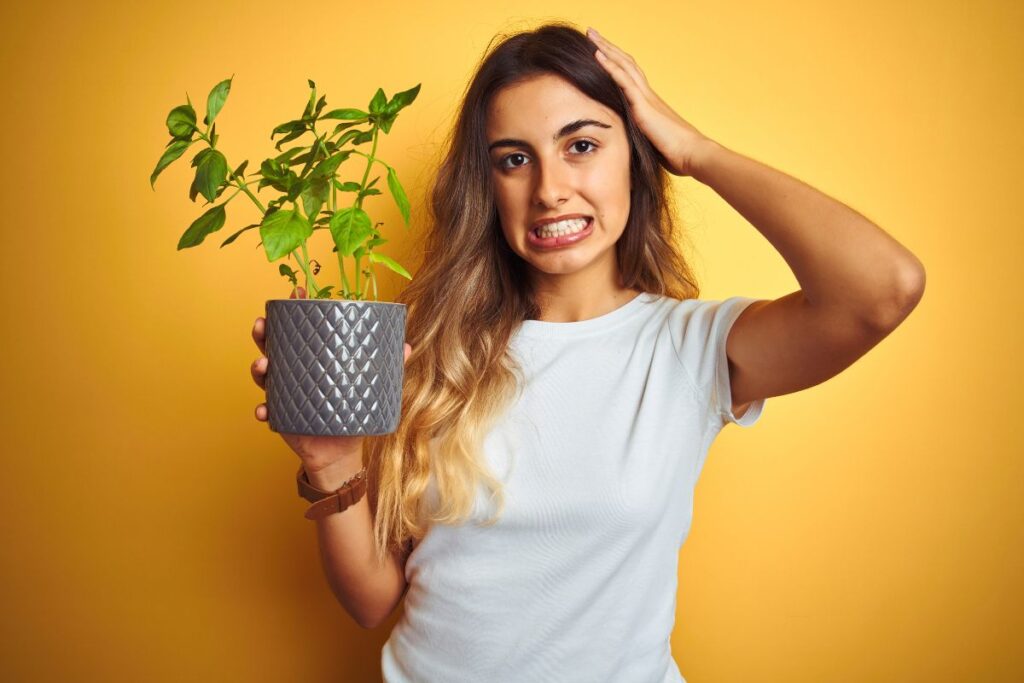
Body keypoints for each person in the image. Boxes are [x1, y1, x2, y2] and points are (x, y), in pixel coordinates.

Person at [249, 21, 925, 683]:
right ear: (487, 187)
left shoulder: (690, 349)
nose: (548, 189)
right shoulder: (431, 352)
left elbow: (882, 289)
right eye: (514, 159)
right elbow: (371, 600)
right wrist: (332, 461)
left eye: (581, 145)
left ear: (637, 154)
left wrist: (694, 151)